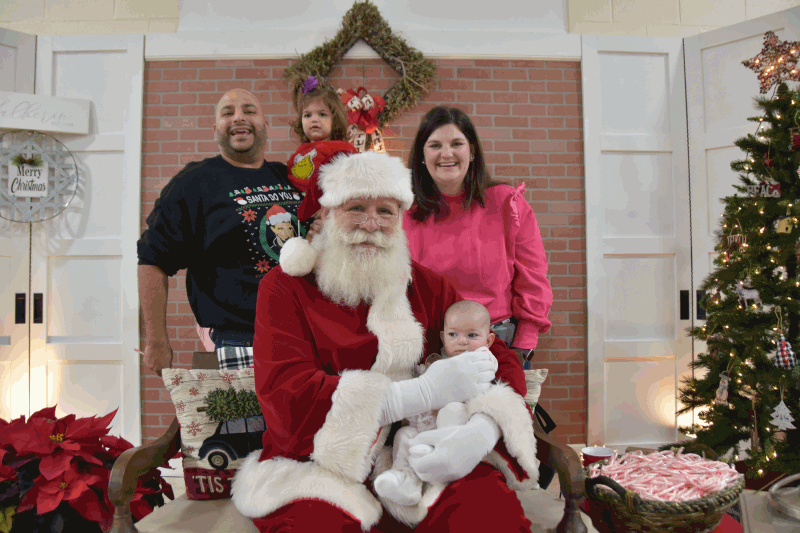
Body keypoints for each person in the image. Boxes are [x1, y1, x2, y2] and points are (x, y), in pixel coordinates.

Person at [232, 151, 539, 532]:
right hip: (320, 464)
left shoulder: (428, 285)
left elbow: (496, 356)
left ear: (400, 217)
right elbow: (285, 394)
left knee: (490, 516)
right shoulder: (284, 289)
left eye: (386, 211)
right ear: (325, 214)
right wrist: (418, 394)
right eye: (356, 207)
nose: (372, 224)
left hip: (420, 452)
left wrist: (482, 430)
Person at [137, 88, 316, 375]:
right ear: (216, 129)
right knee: (253, 421)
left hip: (306, 328)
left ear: (264, 125)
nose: (239, 118)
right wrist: (156, 339)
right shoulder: (194, 183)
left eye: (249, 110)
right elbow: (152, 259)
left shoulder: (288, 176)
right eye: (228, 113)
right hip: (239, 337)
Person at [403, 106, 553, 365]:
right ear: (422, 156)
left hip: (499, 342)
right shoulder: (403, 211)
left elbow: (533, 277)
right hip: (426, 347)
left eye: (457, 143)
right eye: (435, 145)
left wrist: (524, 344)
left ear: (472, 152)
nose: (446, 154)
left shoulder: (507, 204)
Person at [373, 300, 497, 507]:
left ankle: (437, 456)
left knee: (453, 409)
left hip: (457, 433)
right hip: (425, 426)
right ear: (443, 336)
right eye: (453, 335)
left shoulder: (482, 358)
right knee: (403, 435)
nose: (462, 342)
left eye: (472, 335)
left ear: (489, 340)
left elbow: (491, 370)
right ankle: (404, 479)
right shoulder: (436, 359)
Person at [286, 74, 358, 222]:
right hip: (298, 216)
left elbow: (353, 182)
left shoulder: (341, 148)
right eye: (307, 115)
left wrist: (331, 203)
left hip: (328, 215)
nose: (314, 119)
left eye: (322, 114)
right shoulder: (300, 152)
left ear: (335, 120)